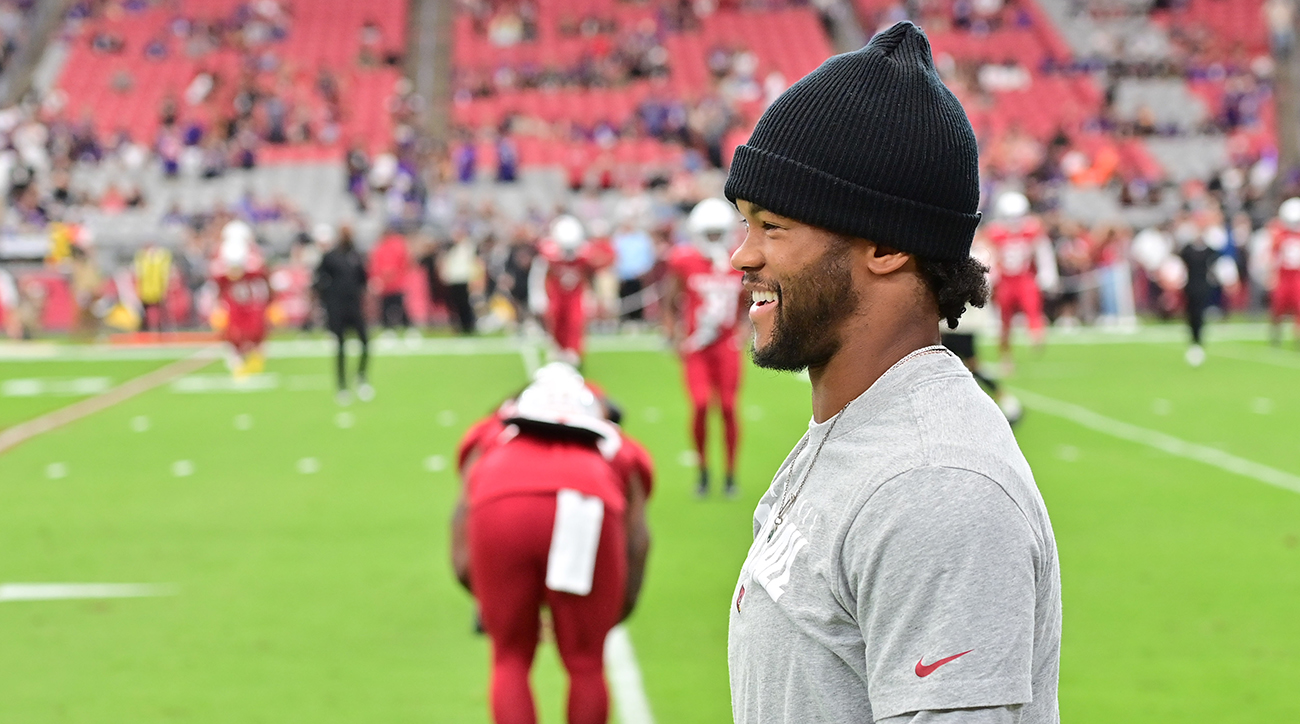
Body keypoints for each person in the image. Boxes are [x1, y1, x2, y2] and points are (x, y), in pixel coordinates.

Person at [724, 23, 1060, 723]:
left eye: (773, 225)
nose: (741, 257)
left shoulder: (933, 484)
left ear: (883, 245)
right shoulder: (860, 425)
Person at [452, 363, 653, 724]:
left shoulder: (495, 428)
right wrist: (616, 608)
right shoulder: (612, 436)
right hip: (588, 499)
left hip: (501, 500)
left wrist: (488, 595)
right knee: (586, 662)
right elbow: (638, 537)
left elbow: (462, 517)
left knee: (509, 657)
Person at [663, 197, 747, 497]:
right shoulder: (684, 260)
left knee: (727, 407)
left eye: (717, 233)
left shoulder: (739, 261)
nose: (713, 239)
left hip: (726, 344)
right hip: (696, 345)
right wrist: (672, 332)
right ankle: (702, 472)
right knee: (699, 405)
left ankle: (730, 475)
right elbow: (670, 299)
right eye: (708, 233)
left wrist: (746, 330)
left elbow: (752, 301)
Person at [532, 215, 603, 364]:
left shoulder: (584, 251)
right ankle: (558, 348)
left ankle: (573, 351)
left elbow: (591, 273)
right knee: (556, 319)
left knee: (576, 320)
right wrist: (538, 294)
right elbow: (541, 272)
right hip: (556, 292)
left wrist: (592, 295)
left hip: (576, 293)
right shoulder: (549, 251)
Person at [314, 224, 373, 403]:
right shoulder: (330, 256)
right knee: (340, 346)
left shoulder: (355, 255)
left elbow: (363, 279)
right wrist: (327, 298)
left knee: (365, 341)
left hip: (354, 306)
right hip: (337, 307)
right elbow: (318, 279)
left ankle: (361, 377)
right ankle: (342, 385)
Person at [210, 221, 271, 377]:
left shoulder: (253, 254)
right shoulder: (221, 253)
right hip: (233, 301)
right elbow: (217, 277)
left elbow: (261, 272)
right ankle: (237, 362)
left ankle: (254, 359)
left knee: (256, 331)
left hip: (251, 300)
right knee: (233, 334)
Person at [1177, 225, 1220, 367]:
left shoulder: (1210, 251)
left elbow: (1217, 264)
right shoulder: (1187, 250)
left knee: (1200, 313)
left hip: (1203, 286)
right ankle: (1192, 337)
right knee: (1191, 313)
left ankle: (1199, 339)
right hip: (1190, 285)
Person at [1267, 197, 1300, 347]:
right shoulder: (1279, 234)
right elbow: (1273, 255)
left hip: (1297, 275)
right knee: (1278, 307)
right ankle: (1275, 335)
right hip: (1284, 275)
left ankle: (1297, 337)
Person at [370, 226, 411, 332]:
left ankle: (408, 327)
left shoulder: (397, 246)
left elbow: (404, 263)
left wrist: (394, 274)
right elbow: (375, 265)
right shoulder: (380, 247)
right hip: (385, 285)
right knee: (385, 307)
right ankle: (388, 328)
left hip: (396, 283)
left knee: (400, 306)